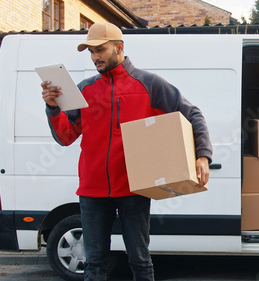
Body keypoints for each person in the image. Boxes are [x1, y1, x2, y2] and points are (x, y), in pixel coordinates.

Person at [41, 22, 212, 281]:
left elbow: (192, 113)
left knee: (140, 262)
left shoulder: (148, 84)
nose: (95, 56)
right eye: (90, 51)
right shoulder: (85, 90)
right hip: (92, 192)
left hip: (134, 189)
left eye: (100, 49)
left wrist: (203, 155)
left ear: (119, 47)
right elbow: (65, 136)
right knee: (94, 265)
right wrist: (53, 109)